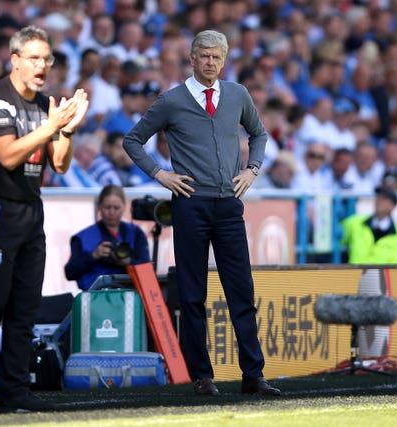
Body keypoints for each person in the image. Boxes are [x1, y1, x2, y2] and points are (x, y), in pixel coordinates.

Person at [123, 30, 281, 397]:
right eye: (204, 56)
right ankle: (202, 376)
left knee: (241, 290)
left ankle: (252, 375)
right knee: (193, 293)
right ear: (192, 59)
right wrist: (160, 174)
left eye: (216, 57)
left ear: (224, 61)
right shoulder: (171, 100)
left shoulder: (238, 94)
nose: (210, 62)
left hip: (228, 204)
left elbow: (259, 134)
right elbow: (132, 139)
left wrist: (252, 169)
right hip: (190, 203)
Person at [0, 25, 88, 414]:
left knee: (24, 307)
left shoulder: (45, 106)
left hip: (31, 211)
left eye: (47, 58)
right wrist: (51, 125)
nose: (42, 65)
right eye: (34, 57)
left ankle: (14, 389)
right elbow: (9, 156)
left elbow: (60, 164)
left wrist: (68, 129)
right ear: (14, 60)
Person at [64, 184, 150, 290]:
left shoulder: (136, 233)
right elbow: (69, 273)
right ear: (99, 207)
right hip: (95, 296)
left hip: (130, 293)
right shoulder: (82, 238)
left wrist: (128, 262)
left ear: (124, 207)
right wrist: (93, 256)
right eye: (107, 207)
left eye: (116, 208)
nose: (111, 212)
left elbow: (147, 270)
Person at [341, 186, 397, 264]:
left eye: (384, 198)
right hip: (353, 274)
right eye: (378, 197)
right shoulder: (355, 222)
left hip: (380, 276)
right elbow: (335, 238)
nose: (379, 201)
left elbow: (396, 266)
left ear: (392, 206)